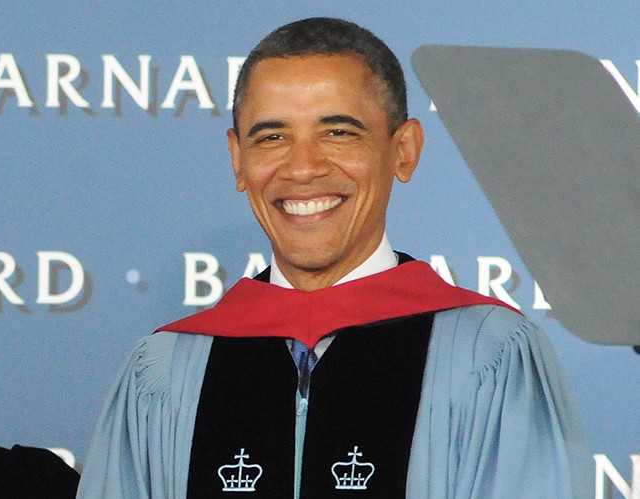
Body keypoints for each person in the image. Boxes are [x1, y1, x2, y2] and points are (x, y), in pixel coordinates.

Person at [77, 17, 590, 498]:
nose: (302, 168)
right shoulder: (165, 371)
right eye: (272, 136)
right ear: (238, 159)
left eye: (338, 132)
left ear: (404, 150)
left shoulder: (490, 356)